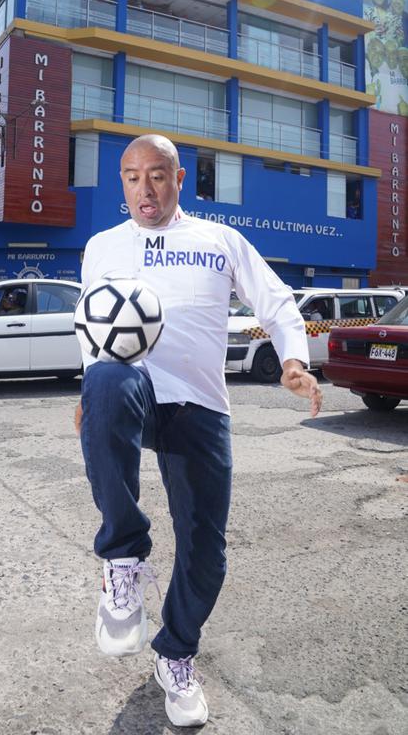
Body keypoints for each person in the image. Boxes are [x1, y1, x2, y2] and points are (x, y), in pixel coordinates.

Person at [74, 134, 322, 728]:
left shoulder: (218, 240)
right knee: (107, 381)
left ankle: (176, 653)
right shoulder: (102, 247)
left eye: (156, 175)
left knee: (207, 553)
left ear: (180, 179)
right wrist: (88, 387)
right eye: (131, 177)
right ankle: (125, 558)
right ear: (122, 184)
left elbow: (276, 300)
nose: (144, 189)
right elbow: (91, 322)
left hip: (198, 406)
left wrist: (293, 358)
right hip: (131, 391)